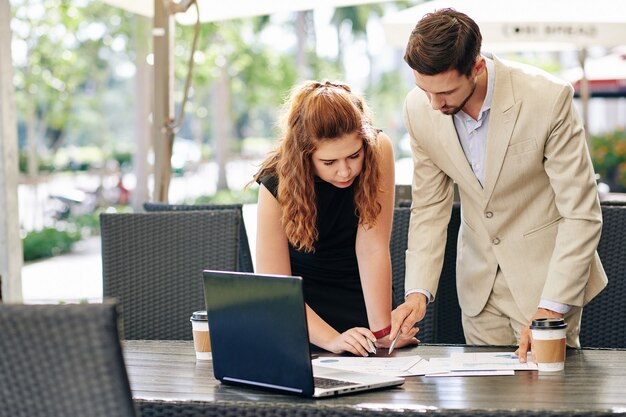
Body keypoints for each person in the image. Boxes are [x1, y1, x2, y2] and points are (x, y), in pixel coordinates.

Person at [390, 9, 607, 362]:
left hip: (546, 284)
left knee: (549, 401)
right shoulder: (419, 109)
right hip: (478, 290)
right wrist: (417, 292)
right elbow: (429, 208)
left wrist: (552, 308)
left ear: (476, 66)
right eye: (423, 89)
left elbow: (581, 214)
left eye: (444, 92)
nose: (433, 104)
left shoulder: (548, 99)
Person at [252, 80, 418, 356]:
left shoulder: (378, 149)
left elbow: (373, 247)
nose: (345, 171)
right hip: (300, 313)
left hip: (363, 302)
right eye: (329, 162)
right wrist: (331, 340)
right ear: (304, 156)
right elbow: (275, 285)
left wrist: (381, 333)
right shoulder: (275, 181)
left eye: (354, 156)